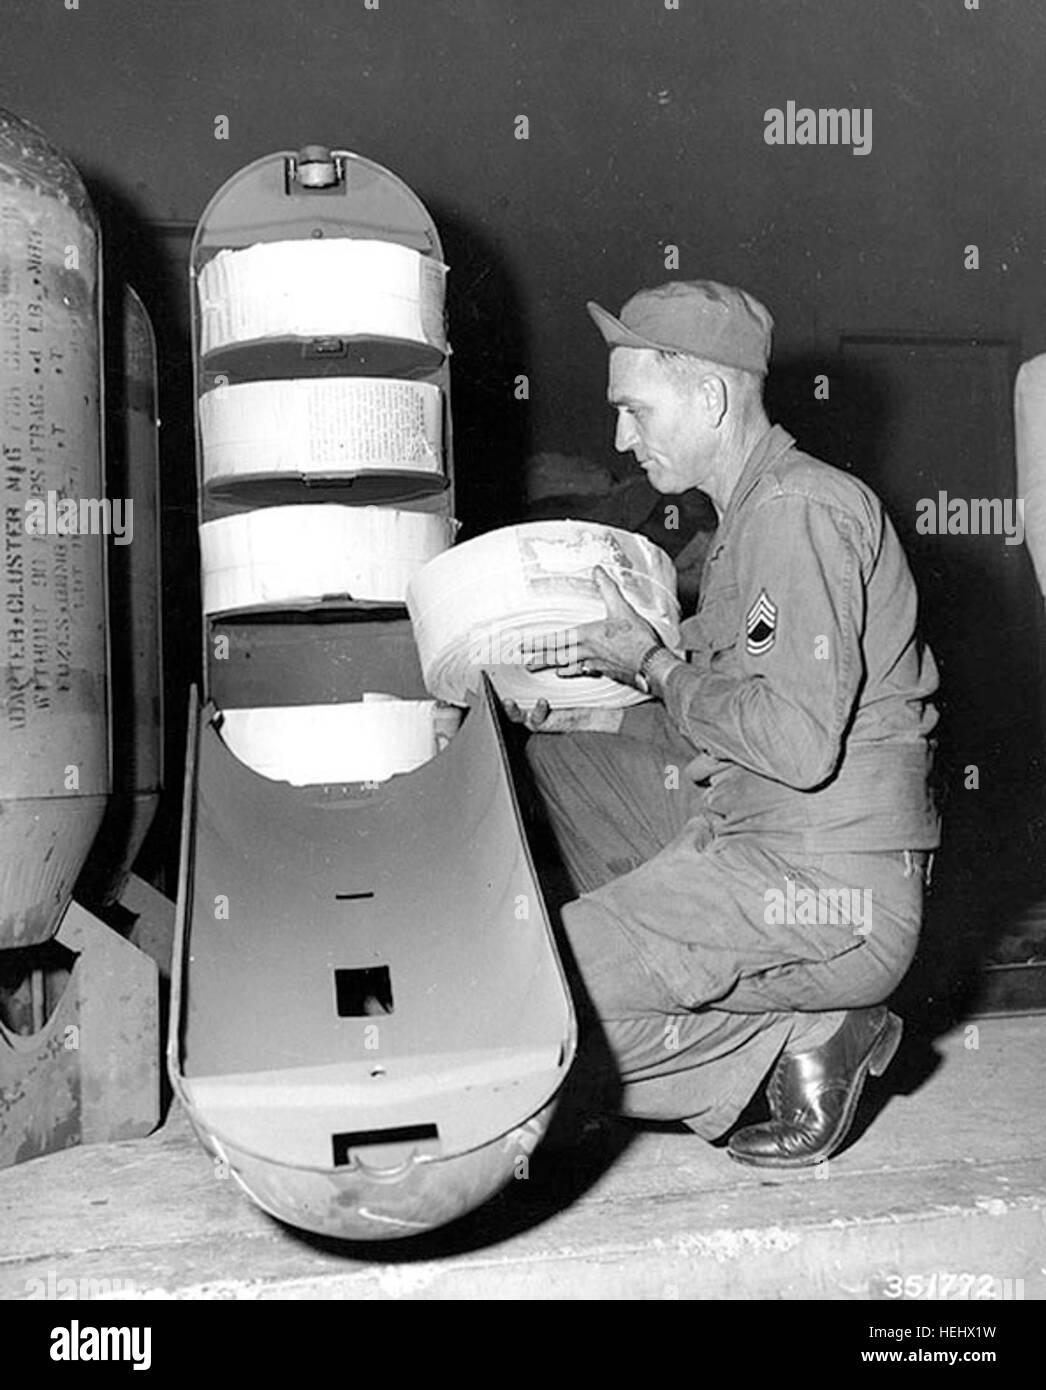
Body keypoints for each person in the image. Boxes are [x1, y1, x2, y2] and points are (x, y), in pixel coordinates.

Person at [511, 280, 940, 1167]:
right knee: (565, 753)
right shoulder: (752, 517)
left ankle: (793, 1038)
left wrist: (655, 664)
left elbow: (793, 738)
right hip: (767, 846)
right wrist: (609, 693)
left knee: (528, 990)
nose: (621, 437)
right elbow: (729, 724)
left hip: (830, 893)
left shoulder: (796, 510)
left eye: (634, 410)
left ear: (709, 397)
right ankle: (689, 971)